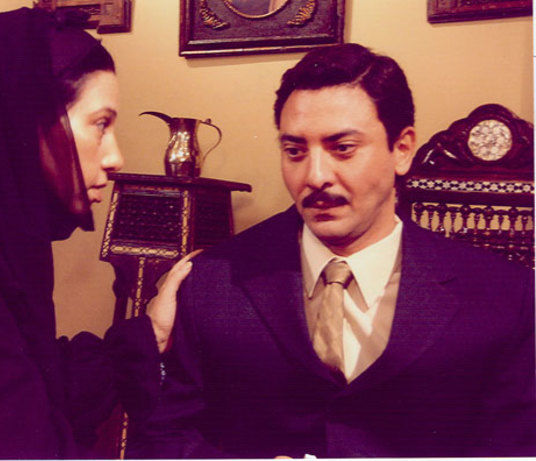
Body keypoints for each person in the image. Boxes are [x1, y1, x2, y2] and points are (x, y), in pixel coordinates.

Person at [127, 43, 536, 458]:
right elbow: (163, 440)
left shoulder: (505, 296)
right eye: (295, 151)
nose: (316, 176)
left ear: (402, 149)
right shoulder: (214, 281)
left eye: (343, 148)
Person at [0, 7, 192, 459]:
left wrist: (151, 329)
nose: (115, 158)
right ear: (23, 123)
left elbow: (30, 389)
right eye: (100, 124)